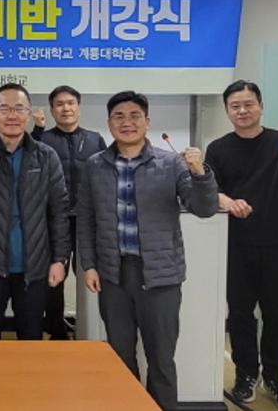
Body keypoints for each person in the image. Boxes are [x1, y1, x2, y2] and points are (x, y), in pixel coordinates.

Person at [78, 91, 218, 411]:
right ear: (109, 123)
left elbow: (204, 208)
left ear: (147, 122)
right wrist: (89, 265)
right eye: (119, 116)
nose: (127, 122)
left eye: (135, 116)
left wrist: (200, 173)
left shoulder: (171, 163)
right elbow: (86, 218)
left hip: (160, 275)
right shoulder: (95, 165)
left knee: (161, 358)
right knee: (119, 355)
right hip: (113, 274)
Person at [205, 80, 278, 409]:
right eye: (235, 106)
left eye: (248, 104)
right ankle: (246, 375)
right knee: (240, 315)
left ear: (261, 106)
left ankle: (277, 377)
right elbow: (210, 190)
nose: (242, 110)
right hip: (236, 245)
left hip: (277, 243)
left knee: (277, 315)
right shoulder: (218, 148)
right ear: (227, 111)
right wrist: (229, 201)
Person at [0, 83, 70, 340]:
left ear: (29, 113)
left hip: (35, 266)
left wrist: (59, 259)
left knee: (31, 337)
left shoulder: (46, 156)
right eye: (4, 108)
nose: (12, 115)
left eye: (19, 108)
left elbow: (58, 212)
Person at [35, 85, 106, 340]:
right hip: (53, 218)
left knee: (89, 270)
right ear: (52, 109)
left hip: (87, 219)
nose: (66, 108)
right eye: (59, 104)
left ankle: (91, 329)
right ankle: (56, 329)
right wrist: (37, 130)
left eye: (71, 103)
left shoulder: (95, 139)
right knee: (54, 275)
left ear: (79, 106)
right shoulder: (42, 140)